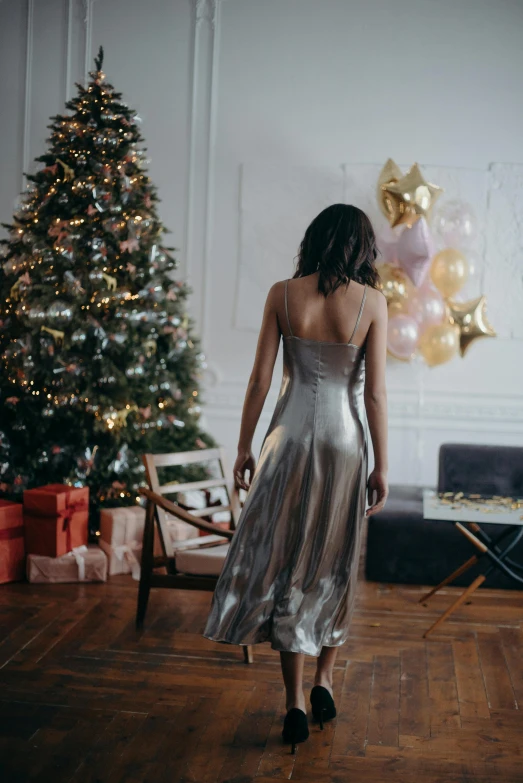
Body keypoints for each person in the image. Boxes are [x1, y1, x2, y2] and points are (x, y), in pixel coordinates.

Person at [203, 203, 388, 752]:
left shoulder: (282, 294)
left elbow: (261, 378)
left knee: (287, 562)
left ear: (315, 240)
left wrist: (242, 446)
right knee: (334, 563)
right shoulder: (373, 302)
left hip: (287, 438)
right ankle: (326, 678)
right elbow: (374, 393)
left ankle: (294, 702)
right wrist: (383, 463)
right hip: (345, 442)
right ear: (362, 248)